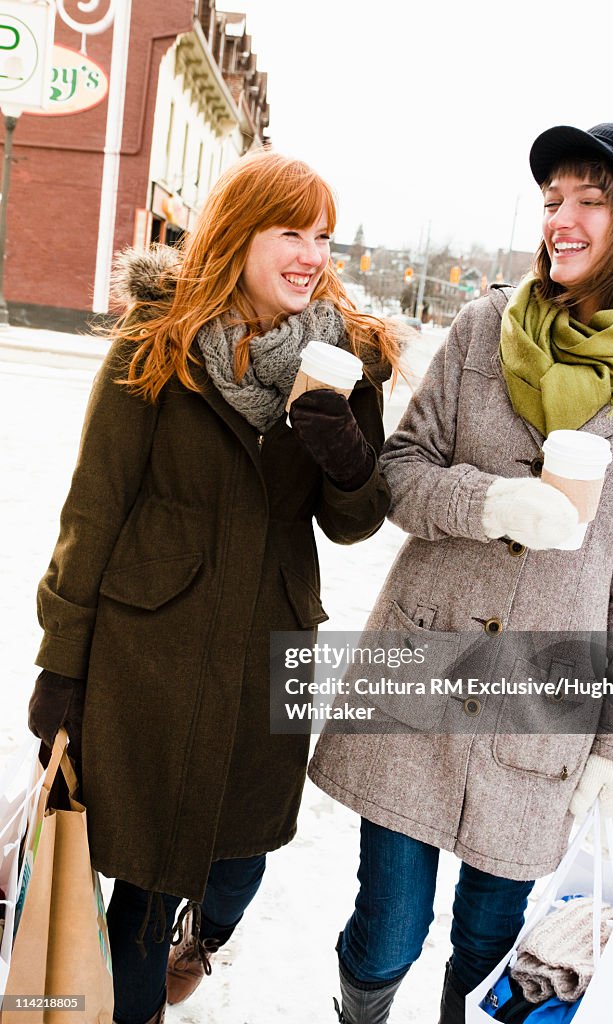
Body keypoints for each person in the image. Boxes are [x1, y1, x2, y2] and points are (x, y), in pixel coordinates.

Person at [308, 122, 613, 1023]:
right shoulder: (484, 327)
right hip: (420, 673)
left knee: (489, 946)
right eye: (554, 200)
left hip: (544, 706)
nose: (562, 217)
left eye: (590, 199)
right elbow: (400, 469)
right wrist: (488, 505)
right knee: (385, 931)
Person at [27, 150, 402, 1024]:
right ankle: (130, 1004)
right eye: (291, 232)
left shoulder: (348, 359)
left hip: (269, 639)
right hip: (149, 641)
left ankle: (207, 940)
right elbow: (96, 503)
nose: (312, 254)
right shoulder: (159, 342)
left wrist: (344, 453)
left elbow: (355, 519)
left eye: (324, 237)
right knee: (144, 869)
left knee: (242, 853)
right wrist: (62, 663)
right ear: (238, 235)